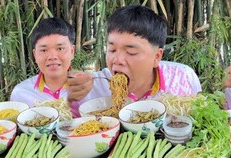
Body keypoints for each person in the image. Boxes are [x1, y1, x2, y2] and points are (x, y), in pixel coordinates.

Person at [68, 4, 202, 115]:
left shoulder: (183, 79)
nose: (117, 60)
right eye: (112, 50)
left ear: (157, 57)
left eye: (131, 52)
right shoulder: (91, 90)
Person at [10, 17, 76, 119]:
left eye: (60, 48)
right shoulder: (21, 93)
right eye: (44, 50)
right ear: (35, 55)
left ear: (72, 52)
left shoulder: (90, 89)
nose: (52, 56)